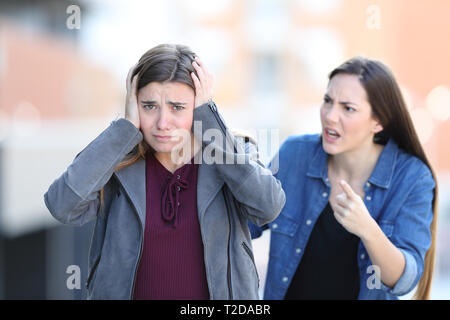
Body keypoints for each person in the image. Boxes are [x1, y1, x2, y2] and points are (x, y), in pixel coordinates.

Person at [44, 44, 285, 300]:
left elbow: (268, 206)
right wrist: (124, 129)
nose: (162, 123)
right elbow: (62, 205)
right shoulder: (116, 161)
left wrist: (210, 121)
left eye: (177, 107)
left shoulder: (234, 153)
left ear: (199, 106)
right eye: (149, 106)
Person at [250, 57, 438, 300]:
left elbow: (403, 280)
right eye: (328, 101)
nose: (330, 116)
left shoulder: (412, 178)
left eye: (347, 108)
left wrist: (367, 228)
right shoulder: (294, 155)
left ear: (378, 121)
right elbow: (245, 223)